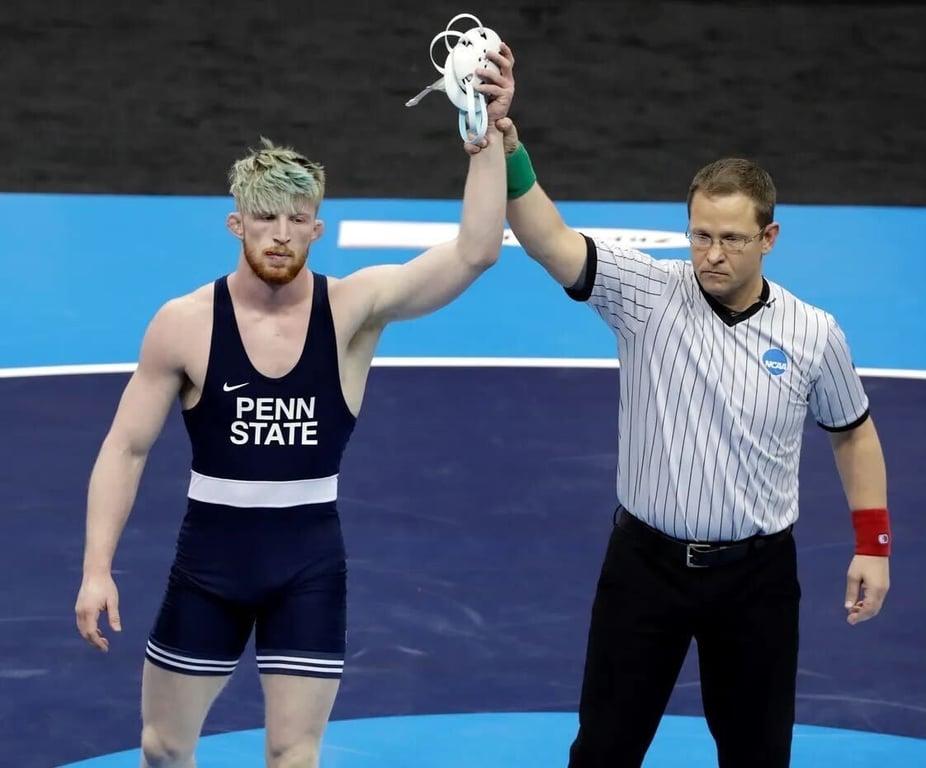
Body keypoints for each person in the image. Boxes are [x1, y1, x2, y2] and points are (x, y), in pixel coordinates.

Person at [73, 55, 512, 768]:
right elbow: (125, 448)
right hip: (208, 564)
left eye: (296, 220)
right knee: (161, 747)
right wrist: (97, 568)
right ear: (235, 223)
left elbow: (476, 252)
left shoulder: (353, 310)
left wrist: (487, 134)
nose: (279, 234)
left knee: (293, 756)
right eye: (265, 218)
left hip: (307, 564)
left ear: (318, 229)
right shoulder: (183, 323)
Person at [468, 52, 892, 768]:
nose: (712, 254)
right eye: (701, 235)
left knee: (757, 757)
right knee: (603, 750)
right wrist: (508, 139)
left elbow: (853, 434)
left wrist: (873, 546)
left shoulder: (814, 333)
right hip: (644, 569)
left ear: (769, 239)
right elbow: (546, 238)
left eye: (731, 239)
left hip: (756, 580)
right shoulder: (645, 293)